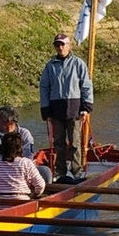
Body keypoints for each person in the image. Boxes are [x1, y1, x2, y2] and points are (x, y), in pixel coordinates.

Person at [39, 31, 94, 183]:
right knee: (58, 142)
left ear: (69, 46)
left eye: (63, 44)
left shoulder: (78, 63)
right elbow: (44, 87)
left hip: (74, 108)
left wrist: (86, 106)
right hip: (56, 109)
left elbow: (86, 86)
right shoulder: (50, 66)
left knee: (75, 142)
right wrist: (45, 109)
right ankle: (60, 170)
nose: (60, 47)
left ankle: (77, 170)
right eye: (57, 45)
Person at [0, 131, 45, 203]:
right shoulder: (26, 163)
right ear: (19, 148)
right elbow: (40, 185)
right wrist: (35, 194)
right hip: (22, 204)